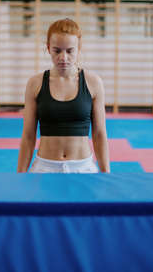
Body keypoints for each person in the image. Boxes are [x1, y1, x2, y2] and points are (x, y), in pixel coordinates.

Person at [17, 18, 110, 173]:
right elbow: (28, 135)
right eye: (57, 50)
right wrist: (20, 174)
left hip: (83, 167)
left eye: (69, 50)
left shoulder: (94, 82)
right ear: (48, 48)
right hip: (45, 167)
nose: (63, 57)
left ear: (79, 48)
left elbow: (100, 134)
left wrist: (106, 173)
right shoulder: (35, 83)